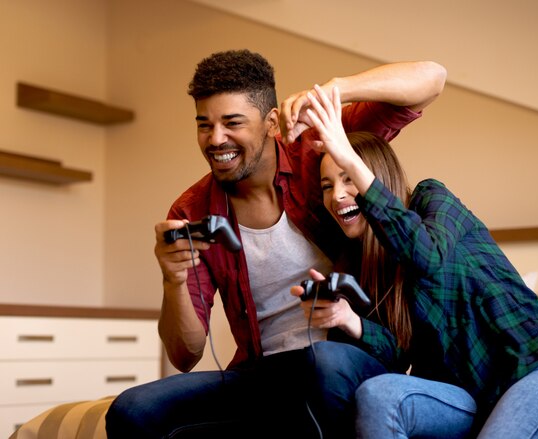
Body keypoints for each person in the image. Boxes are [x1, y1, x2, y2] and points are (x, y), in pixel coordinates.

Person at [104, 49, 447, 438]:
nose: (216, 140)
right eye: (205, 125)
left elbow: (431, 79)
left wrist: (335, 91)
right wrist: (173, 280)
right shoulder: (192, 211)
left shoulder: (317, 151)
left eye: (233, 123)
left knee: (324, 364)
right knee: (133, 410)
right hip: (264, 372)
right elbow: (185, 356)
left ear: (270, 123)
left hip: (349, 357)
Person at [291, 85, 538, 438]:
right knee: (377, 394)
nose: (337, 194)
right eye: (327, 186)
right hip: (469, 399)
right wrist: (349, 319)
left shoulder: (433, 201)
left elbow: (427, 257)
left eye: (347, 178)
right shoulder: (366, 265)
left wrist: (348, 154)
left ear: (375, 175)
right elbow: (397, 357)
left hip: (535, 372)